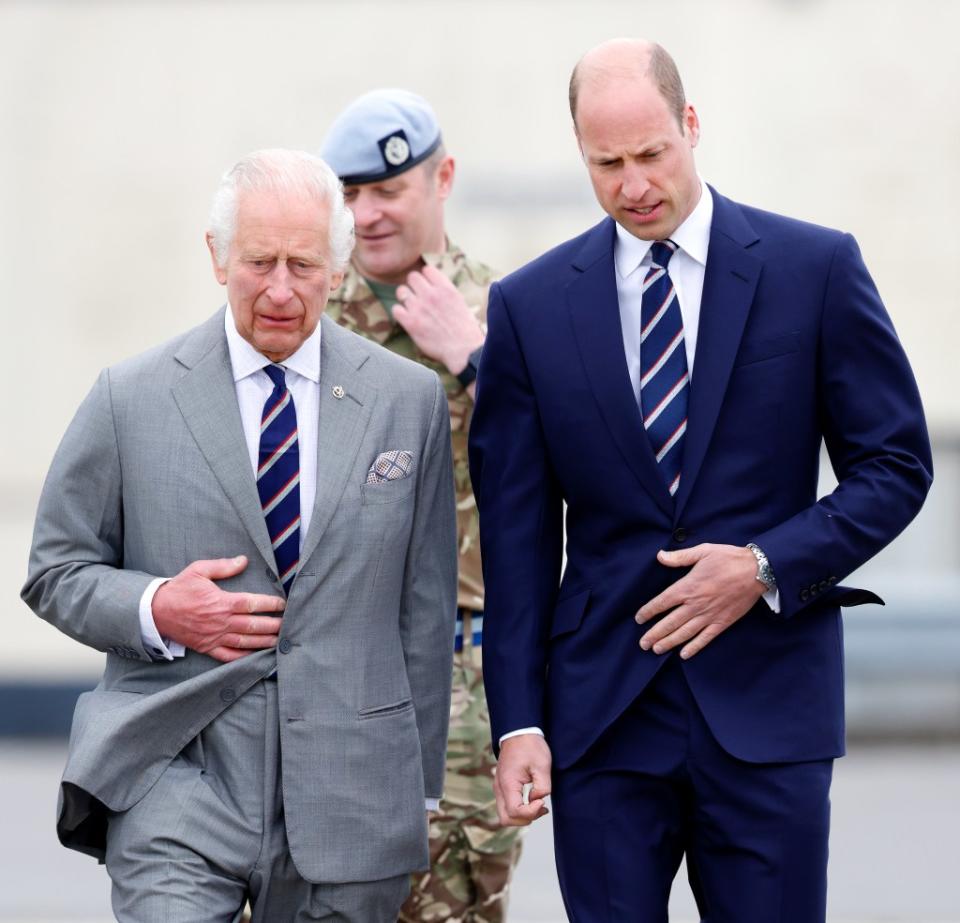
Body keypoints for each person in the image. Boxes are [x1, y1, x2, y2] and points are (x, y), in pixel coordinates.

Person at [468, 38, 933, 922]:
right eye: (607, 164)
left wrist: (764, 564)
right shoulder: (529, 308)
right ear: (581, 153)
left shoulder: (815, 270)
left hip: (769, 709)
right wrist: (518, 721)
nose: (634, 184)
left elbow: (897, 465)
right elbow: (518, 538)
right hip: (602, 717)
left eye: (651, 154)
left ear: (690, 125)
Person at [21, 148, 457, 922]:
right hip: (175, 772)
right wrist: (158, 607)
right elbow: (56, 568)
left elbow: (422, 609)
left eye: (304, 264)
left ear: (339, 264)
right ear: (218, 257)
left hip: (351, 791)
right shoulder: (132, 397)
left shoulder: (406, 400)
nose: (282, 290)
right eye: (260, 262)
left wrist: (416, 787)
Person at [320, 89, 523, 922]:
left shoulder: (515, 315)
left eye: (388, 190)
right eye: (349, 194)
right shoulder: (304, 318)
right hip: (324, 677)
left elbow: (581, 473)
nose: (365, 215)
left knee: (452, 907)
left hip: (462, 683)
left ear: (443, 178)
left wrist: (478, 360)